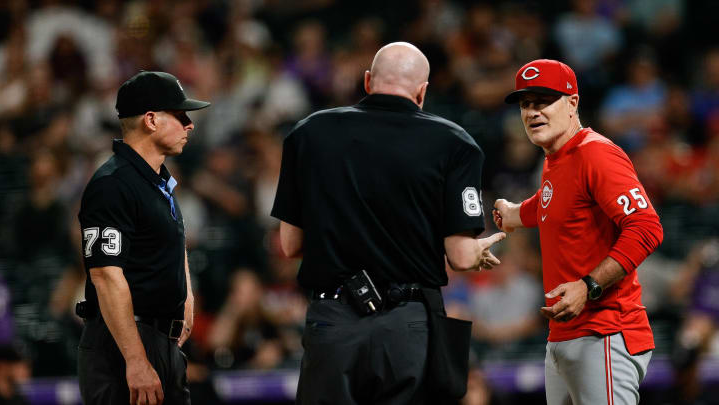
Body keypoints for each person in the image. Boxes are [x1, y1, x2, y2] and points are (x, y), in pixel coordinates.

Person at [271, 42, 505, 405]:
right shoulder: (455, 143)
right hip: (406, 325)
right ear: (422, 92)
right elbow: (459, 256)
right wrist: (477, 250)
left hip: (333, 321)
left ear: (367, 81)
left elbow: (290, 245)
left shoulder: (309, 133)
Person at [493, 59, 664, 405]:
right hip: (564, 337)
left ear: (572, 103)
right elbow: (554, 203)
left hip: (604, 332)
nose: (532, 112)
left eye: (543, 101)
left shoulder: (596, 154)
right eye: (526, 104)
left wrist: (589, 286)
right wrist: (513, 214)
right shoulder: (556, 158)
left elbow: (647, 227)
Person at [77, 71, 210, 405]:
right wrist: (135, 360)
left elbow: (174, 246)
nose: (189, 124)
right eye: (180, 115)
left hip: (159, 342)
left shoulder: (157, 182)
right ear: (151, 120)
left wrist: (186, 302)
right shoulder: (112, 184)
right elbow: (106, 275)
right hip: (122, 346)